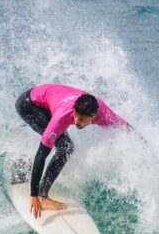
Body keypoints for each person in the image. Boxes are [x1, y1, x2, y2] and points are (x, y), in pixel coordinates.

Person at [15, 83, 129, 218]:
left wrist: (144, 145)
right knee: (65, 147)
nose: (77, 121)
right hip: (29, 105)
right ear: (74, 109)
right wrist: (33, 195)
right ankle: (42, 196)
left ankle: (26, 167)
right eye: (76, 116)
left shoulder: (104, 113)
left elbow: (124, 126)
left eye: (82, 120)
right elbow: (42, 154)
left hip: (46, 102)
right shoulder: (62, 116)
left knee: (65, 145)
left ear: (93, 117)